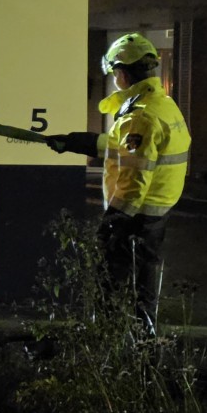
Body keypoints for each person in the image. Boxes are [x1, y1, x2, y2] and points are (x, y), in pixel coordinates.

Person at [47, 33, 191, 328]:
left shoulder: (140, 116)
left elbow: (135, 175)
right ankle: (143, 345)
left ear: (122, 74)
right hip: (156, 211)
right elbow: (123, 147)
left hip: (135, 216)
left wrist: (113, 220)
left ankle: (113, 343)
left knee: (111, 287)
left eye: (115, 73)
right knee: (145, 286)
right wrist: (78, 142)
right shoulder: (162, 105)